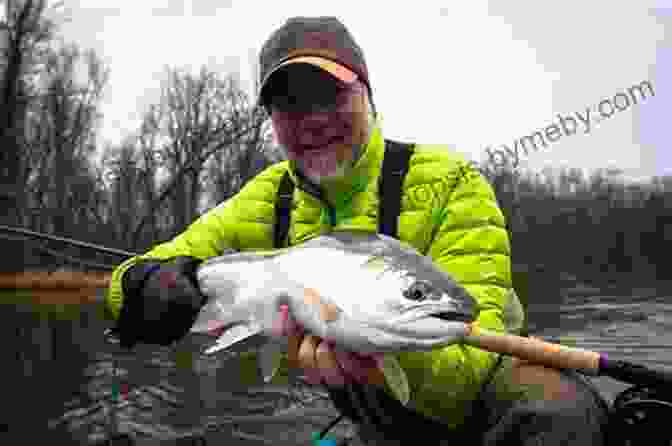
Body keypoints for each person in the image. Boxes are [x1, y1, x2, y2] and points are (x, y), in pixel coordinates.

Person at [106, 16, 610, 446]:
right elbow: (135, 272)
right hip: (377, 413)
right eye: (290, 104)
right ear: (273, 120)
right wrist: (143, 288)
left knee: (560, 413)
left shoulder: (451, 182)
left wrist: (380, 358)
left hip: (490, 385)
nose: (313, 120)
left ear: (367, 94)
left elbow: (468, 361)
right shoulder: (267, 197)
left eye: (330, 94)